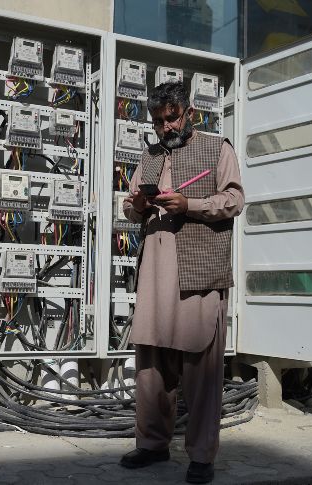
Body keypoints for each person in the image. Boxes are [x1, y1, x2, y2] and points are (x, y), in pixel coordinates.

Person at [119, 81, 245, 484]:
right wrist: (137, 204)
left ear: (189, 112)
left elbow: (234, 200)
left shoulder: (216, 148)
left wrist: (189, 204)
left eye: (172, 118)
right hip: (154, 276)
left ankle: (202, 456)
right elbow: (129, 205)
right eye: (158, 121)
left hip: (198, 274)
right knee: (151, 366)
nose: (165, 127)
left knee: (200, 369)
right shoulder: (151, 154)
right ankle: (152, 445)